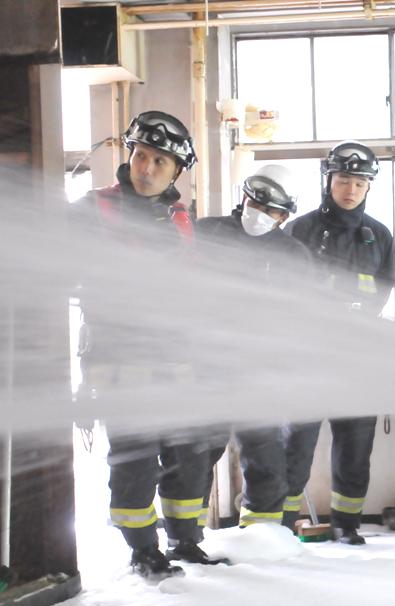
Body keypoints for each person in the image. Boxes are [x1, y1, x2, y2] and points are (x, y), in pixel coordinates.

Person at [75, 110, 226, 579]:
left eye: (160, 161)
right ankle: (142, 547)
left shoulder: (181, 218)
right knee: (136, 461)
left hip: (178, 363)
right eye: (141, 155)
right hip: (120, 364)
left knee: (190, 454)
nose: (146, 168)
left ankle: (185, 540)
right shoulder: (91, 209)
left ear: (176, 171)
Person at [196, 165, 319, 533]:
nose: (259, 214)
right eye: (254, 202)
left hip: (262, 376)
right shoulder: (206, 233)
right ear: (243, 197)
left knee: (267, 462)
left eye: (271, 211)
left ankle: (260, 539)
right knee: (195, 459)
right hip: (206, 371)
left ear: (284, 216)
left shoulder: (293, 255)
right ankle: (184, 540)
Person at [284, 142, 395, 544]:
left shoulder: (378, 236)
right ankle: (281, 524)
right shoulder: (299, 230)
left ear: (369, 188)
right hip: (306, 357)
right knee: (295, 443)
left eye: (360, 182)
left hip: (358, 360)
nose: (351, 189)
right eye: (344, 179)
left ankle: (347, 524)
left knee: (355, 446)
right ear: (329, 180)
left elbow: (384, 291)